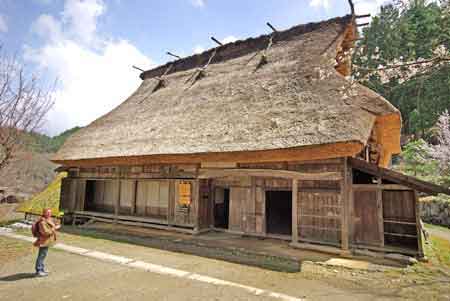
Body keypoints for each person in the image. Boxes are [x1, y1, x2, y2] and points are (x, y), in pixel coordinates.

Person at [33, 208, 60, 277]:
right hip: (43, 241)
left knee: (43, 255)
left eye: (50, 213)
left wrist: (56, 224)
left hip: (47, 241)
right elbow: (45, 232)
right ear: (44, 213)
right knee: (41, 256)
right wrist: (55, 228)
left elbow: (52, 225)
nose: (49, 214)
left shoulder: (48, 219)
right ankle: (39, 271)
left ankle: (41, 269)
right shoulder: (42, 222)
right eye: (47, 213)